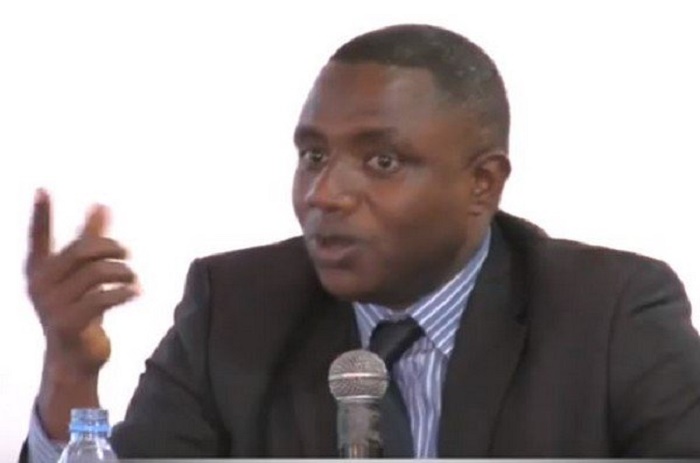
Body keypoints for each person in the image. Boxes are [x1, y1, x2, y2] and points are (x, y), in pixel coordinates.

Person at [21, 24, 700, 460]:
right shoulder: (235, 307)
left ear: (482, 184)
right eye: (313, 156)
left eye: (381, 161)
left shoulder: (610, 313)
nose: (325, 195)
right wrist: (70, 372)